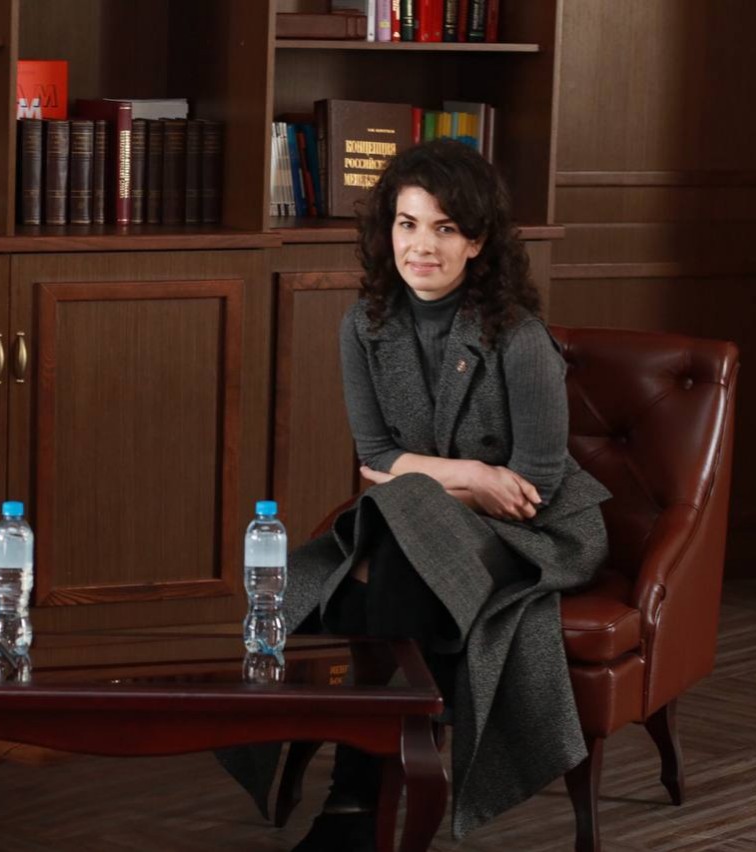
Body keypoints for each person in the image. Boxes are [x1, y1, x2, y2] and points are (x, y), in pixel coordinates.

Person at [225, 139, 612, 850]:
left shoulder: (520, 337)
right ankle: (376, 789)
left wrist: (423, 484)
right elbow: (373, 454)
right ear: (388, 231)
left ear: (477, 242)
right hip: (435, 522)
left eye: (444, 228)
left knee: (388, 549)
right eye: (407, 224)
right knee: (395, 558)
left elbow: (535, 485)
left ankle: (354, 802)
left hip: (536, 533)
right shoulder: (365, 326)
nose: (421, 246)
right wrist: (475, 477)